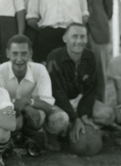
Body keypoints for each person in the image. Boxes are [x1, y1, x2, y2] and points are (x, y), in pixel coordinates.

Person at [0, 35, 69, 156]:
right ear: (7, 53)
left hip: (34, 110)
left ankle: (29, 138)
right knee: (14, 118)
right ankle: (10, 139)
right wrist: (24, 105)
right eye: (15, 53)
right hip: (10, 111)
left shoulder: (40, 69)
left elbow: (48, 104)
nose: (19, 59)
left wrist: (28, 102)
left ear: (30, 53)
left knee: (60, 118)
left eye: (24, 53)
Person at [46, 23, 116, 151]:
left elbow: (91, 89)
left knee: (108, 115)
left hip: (77, 100)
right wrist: (75, 118)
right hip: (57, 102)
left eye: (82, 37)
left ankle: (82, 131)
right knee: (60, 120)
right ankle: (51, 136)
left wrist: (84, 114)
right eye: (74, 36)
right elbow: (57, 92)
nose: (79, 41)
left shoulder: (89, 56)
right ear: (65, 38)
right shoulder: (54, 57)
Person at [69, 0, 113, 102]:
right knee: (77, 72)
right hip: (77, 34)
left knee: (100, 73)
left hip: (99, 34)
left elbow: (108, 9)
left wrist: (97, 24)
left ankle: (102, 108)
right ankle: (80, 111)